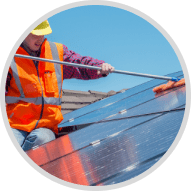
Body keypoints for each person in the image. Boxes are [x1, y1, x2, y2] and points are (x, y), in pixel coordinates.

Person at [5, 20, 114, 151]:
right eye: (36, 35)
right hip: (16, 124)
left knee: (43, 140)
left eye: (43, 34)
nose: (40, 39)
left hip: (46, 126)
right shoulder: (11, 56)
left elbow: (78, 64)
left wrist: (99, 67)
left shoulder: (56, 52)